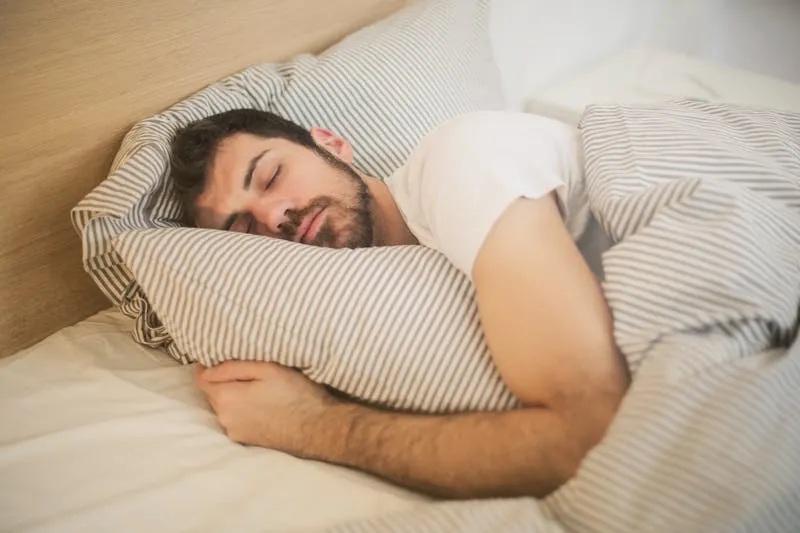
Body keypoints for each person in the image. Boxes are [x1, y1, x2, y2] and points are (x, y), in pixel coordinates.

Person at [168, 108, 630, 500]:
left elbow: (593, 437)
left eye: (271, 176)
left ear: (331, 144)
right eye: (244, 228)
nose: (273, 216)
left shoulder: (462, 162)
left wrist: (309, 425)